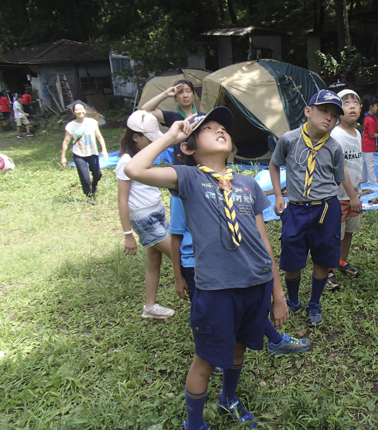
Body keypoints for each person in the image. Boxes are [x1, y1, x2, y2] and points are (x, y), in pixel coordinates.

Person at [124, 107, 290, 430]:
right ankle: (194, 424)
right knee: (206, 359)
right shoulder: (188, 178)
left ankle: (229, 398)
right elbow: (134, 168)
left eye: (223, 127)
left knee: (239, 348)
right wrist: (172, 135)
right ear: (189, 147)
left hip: (255, 285)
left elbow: (263, 241)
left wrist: (278, 293)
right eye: (208, 128)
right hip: (216, 289)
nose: (220, 130)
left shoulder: (247, 184)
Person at [169, 156, 310, 356]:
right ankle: (215, 355)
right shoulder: (185, 188)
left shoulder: (234, 184)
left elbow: (258, 235)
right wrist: (178, 277)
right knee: (214, 314)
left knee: (245, 306)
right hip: (197, 264)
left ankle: (275, 341)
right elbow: (175, 236)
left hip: (233, 259)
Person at [269, 90, 345, 327]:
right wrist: (279, 195)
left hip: (325, 209)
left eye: (334, 115)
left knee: (323, 258)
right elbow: (274, 165)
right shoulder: (289, 140)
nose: (328, 118)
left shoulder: (334, 147)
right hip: (296, 210)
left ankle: (314, 302)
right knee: (291, 260)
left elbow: (339, 178)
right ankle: (293, 300)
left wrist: (351, 198)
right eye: (323, 111)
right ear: (308, 111)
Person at [116, 110, 175, 320]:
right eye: (149, 140)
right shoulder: (126, 163)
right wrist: (127, 234)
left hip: (157, 211)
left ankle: (149, 307)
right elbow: (122, 200)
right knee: (179, 256)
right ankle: (199, 299)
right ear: (135, 137)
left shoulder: (142, 157)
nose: (153, 145)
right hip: (144, 219)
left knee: (154, 262)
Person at [326, 89, 364, 291]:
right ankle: (329, 270)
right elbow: (340, 168)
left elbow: (356, 163)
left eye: (355, 102)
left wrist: (358, 191)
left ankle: (341, 261)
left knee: (349, 231)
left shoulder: (358, 133)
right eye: (346, 102)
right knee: (335, 234)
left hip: (353, 196)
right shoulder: (337, 135)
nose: (351, 106)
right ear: (339, 110)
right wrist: (351, 196)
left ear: (360, 108)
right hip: (339, 196)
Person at [60, 103, 108, 203]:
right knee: (84, 177)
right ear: (73, 112)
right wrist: (63, 157)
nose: (79, 111)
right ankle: (89, 196)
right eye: (77, 110)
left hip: (92, 153)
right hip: (78, 154)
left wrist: (104, 149)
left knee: (97, 174)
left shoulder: (92, 122)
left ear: (85, 111)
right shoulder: (70, 126)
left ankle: (94, 185)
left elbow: (99, 136)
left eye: (81, 109)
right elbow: (66, 141)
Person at [361, 96, 378, 185]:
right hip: (368, 145)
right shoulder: (370, 119)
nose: (377, 107)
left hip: (365, 144)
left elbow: (374, 128)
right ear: (371, 106)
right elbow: (372, 134)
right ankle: (374, 182)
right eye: (376, 105)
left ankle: (363, 179)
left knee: (364, 163)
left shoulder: (369, 117)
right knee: (370, 164)